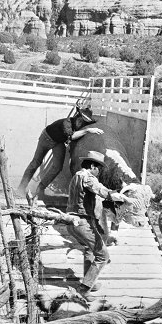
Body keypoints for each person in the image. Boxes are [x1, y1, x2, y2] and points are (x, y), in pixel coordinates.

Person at [65, 151, 131, 298]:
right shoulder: (88, 177)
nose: (99, 171)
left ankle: (90, 282)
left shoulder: (76, 177)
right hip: (82, 222)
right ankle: (84, 289)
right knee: (103, 256)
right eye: (98, 168)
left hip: (71, 222)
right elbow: (100, 190)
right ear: (92, 166)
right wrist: (116, 195)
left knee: (89, 250)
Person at [17, 107, 104, 200]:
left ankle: (40, 189)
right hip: (46, 138)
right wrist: (87, 130)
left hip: (58, 142)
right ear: (77, 117)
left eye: (84, 122)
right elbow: (72, 137)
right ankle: (21, 188)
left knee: (57, 167)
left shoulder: (81, 125)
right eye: (80, 120)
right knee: (36, 162)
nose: (81, 123)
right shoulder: (66, 123)